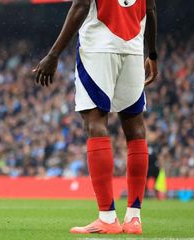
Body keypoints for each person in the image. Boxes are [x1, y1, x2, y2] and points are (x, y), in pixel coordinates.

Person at [34, 0, 158, 235]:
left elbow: (80, 5)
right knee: (135, 128)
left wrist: (53, 54)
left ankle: (108, 218)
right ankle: (134, 219)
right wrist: (152, 54)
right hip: (132, 48)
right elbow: (150, 9)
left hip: (98, 46)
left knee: (96, 124)